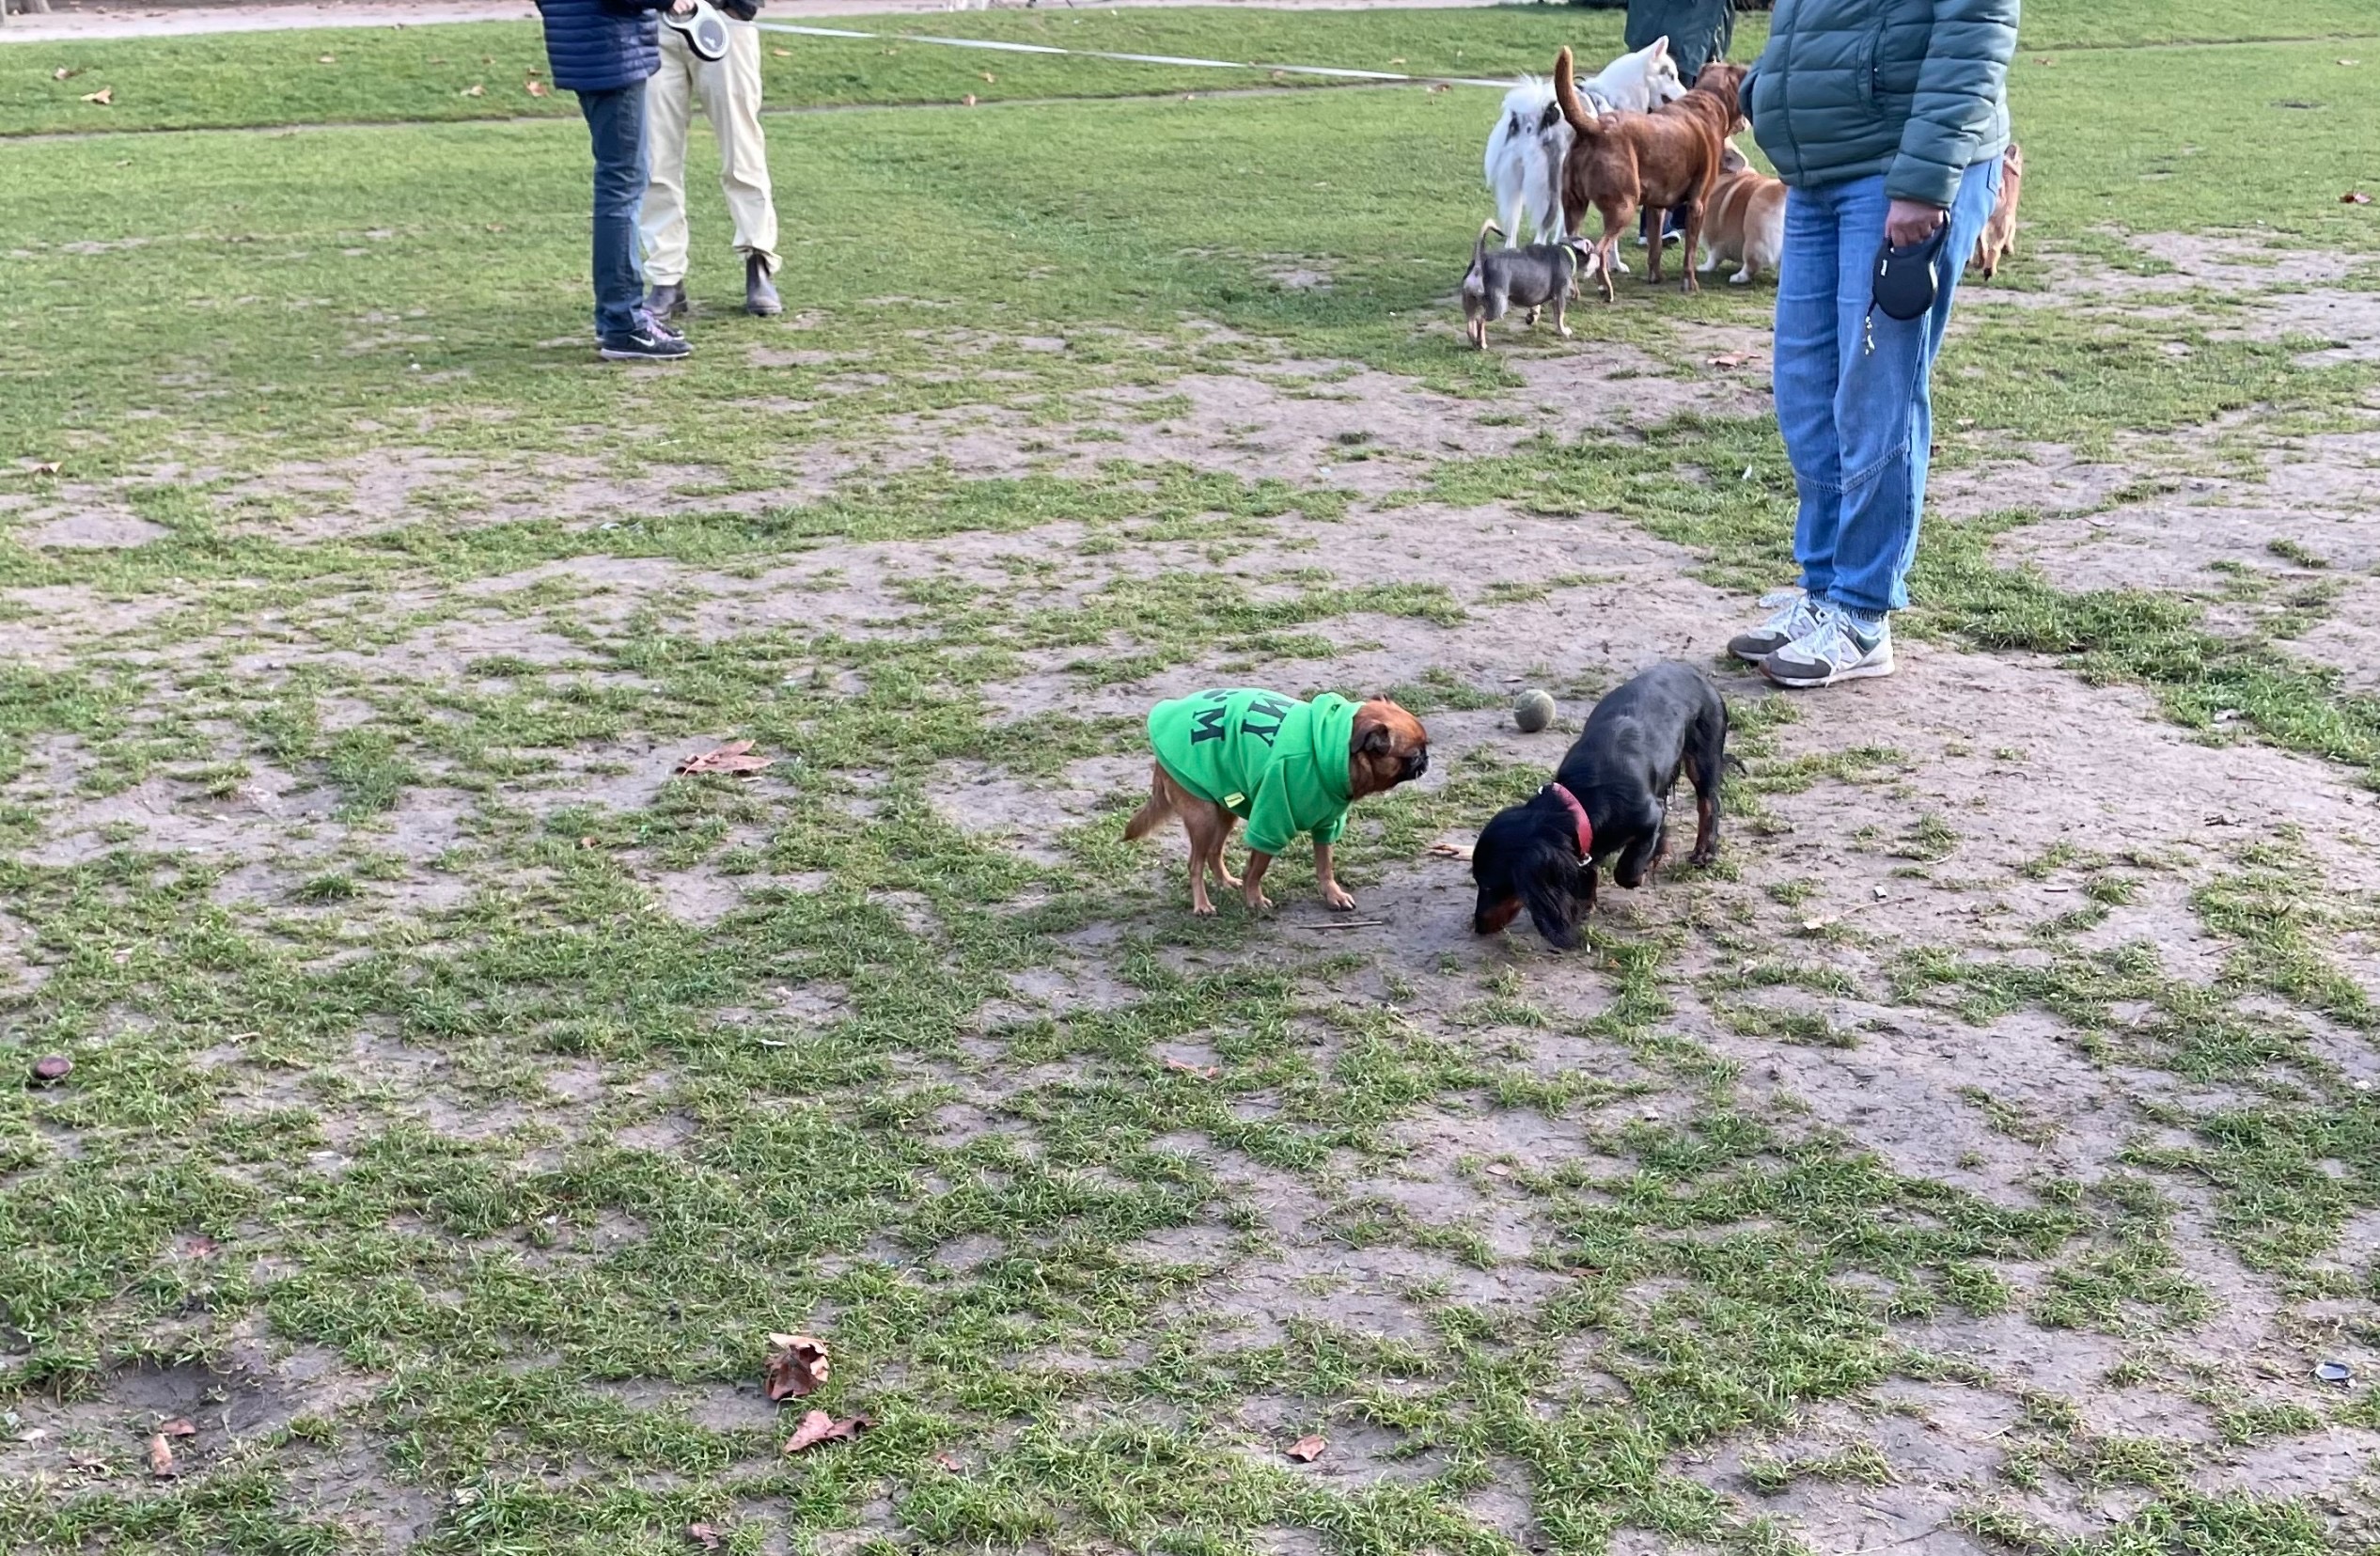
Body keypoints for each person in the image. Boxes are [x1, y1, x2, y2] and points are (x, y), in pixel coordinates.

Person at [1728, 0, 2018, 687]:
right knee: (1806, 386)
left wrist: (1924, 180)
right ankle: (1824, 587)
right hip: (1820, 167)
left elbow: (1977, 25)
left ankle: (1861, 612)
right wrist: (1770, 87)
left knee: (1873, 392)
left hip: (1897, 171)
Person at [535, 0, 695, 361]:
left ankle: (616, 318)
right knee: (622, 186)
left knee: (619, 183)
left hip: (588, 46)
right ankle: (623, 321)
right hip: (610, 50)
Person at [640, 0, 784, 320]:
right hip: (652, 22)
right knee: (655, 157)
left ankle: (758, 260)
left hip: (722, 19)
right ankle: (666, 277)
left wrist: (739, 7)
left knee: (742, 150)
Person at [1626, 0, 1734, 248]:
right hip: (1674, 34)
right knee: (1664, 136)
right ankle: (1654, 224)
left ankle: (1683, 214)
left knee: (1695, 136)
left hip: (1699, 34)